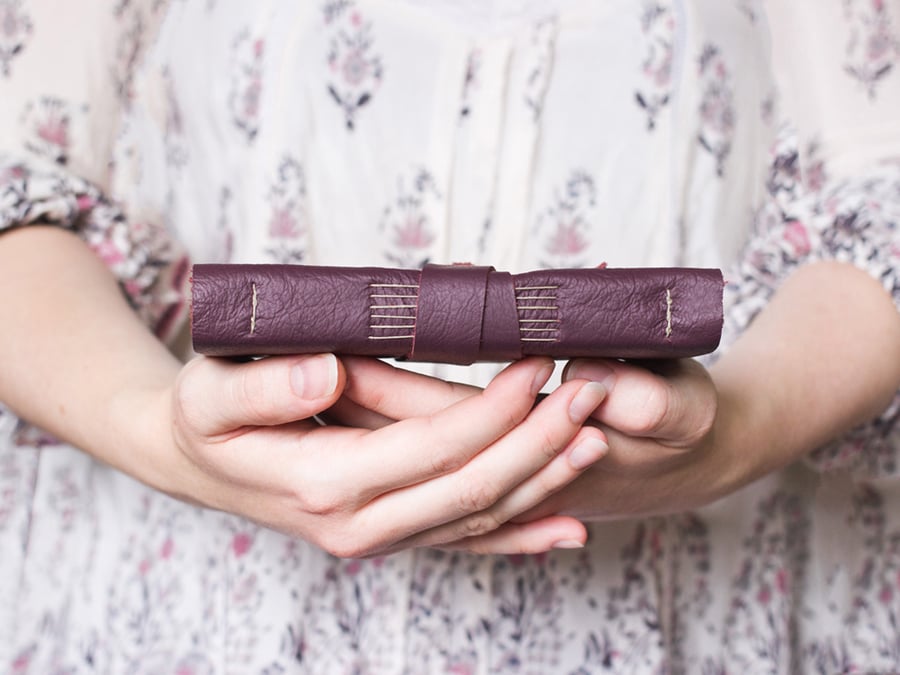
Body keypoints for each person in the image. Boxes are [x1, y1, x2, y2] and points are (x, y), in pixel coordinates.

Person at [0, 0, 899, 672]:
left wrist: (735, 435)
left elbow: (884, 200)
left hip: (694, 606)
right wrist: (158, 432)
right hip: (186, 610)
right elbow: (18, 177)